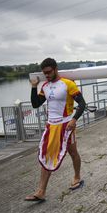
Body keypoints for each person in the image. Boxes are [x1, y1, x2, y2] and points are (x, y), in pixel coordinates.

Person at [25, 58, 86, 202]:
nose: (46, 75)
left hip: (66, 126)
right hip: (51, 127)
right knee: (47, 155)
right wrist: (34, 87)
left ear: (55, 69)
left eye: (49, 72)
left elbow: (82, 103)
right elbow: (35, 104)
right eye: (44, 73)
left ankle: (77, 176)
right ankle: (41, 191)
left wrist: (74, 119)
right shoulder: (45, 86)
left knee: (72, 152)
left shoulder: (68, 84)